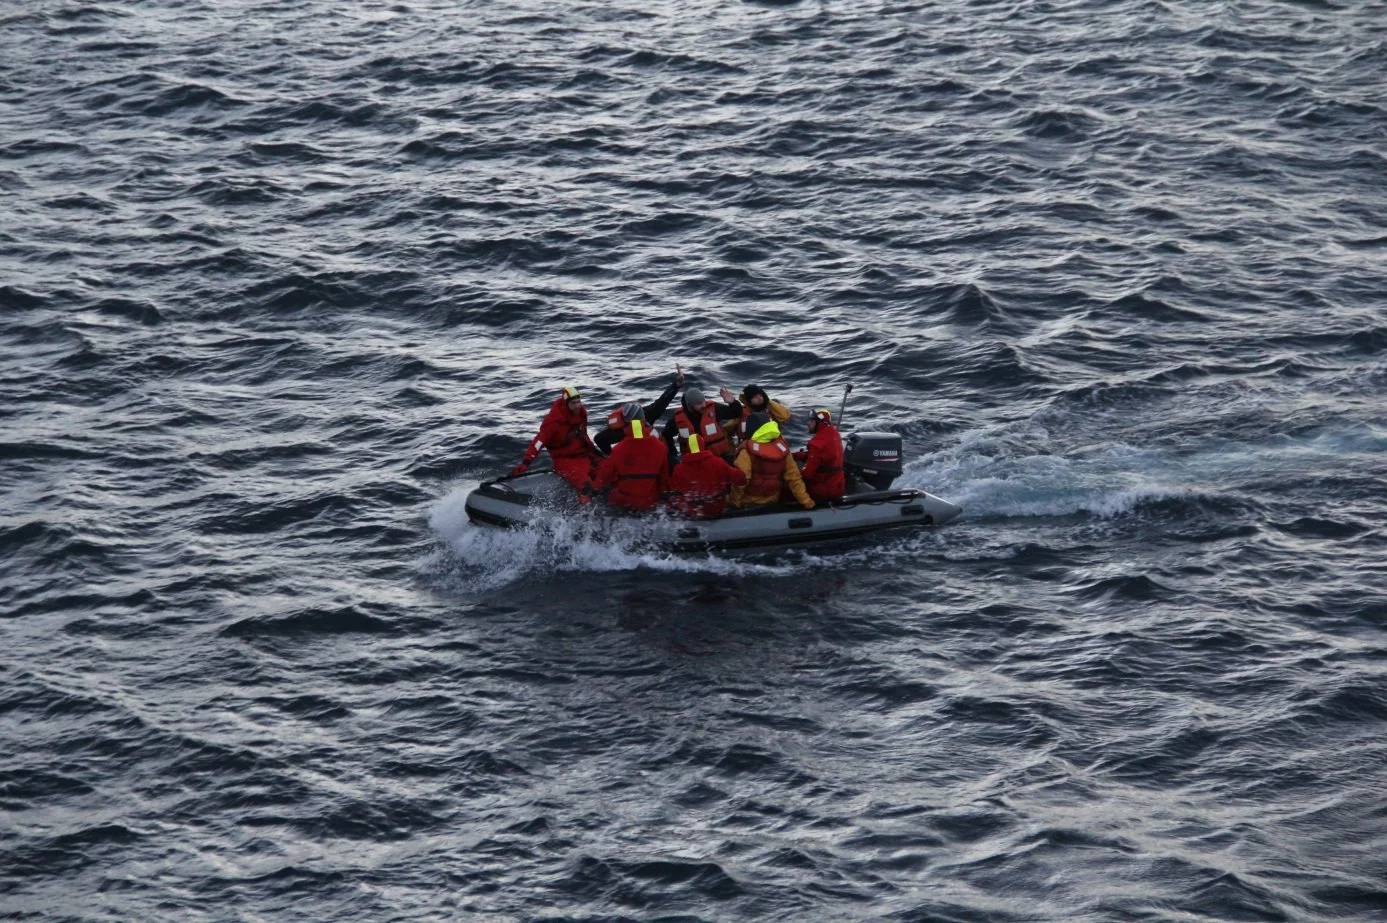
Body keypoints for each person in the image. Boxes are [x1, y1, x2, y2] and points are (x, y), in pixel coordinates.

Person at [510, 385, 600, 492]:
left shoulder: (581, 412)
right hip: (565, 460)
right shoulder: (553, 422)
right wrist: (526, 462)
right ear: (566, 404)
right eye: (573, 403)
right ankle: (586, 506)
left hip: (584, 455)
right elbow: (538, 443)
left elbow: (583, 435)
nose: (577, 406)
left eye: (578, 402)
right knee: (585, 486)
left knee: (610, 470)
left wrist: (595, 453)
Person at [592, 404, 670, 512]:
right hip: (650, 502)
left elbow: (604, 475)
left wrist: (591, 490)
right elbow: (663, 480)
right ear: (643, 420)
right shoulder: (660, 448)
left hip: (624, 502)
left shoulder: (618, 450)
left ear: (626, 424)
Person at [729, 412, 814, 510]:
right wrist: (807, 502)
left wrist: (734, 503)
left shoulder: (746, 450)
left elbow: (742, 480)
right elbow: (794, 478)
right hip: (773, 499)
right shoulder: (782, 449)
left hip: (749, 501)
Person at [595, 365, 684, 456]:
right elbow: (599, 439)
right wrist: (611, 456)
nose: (644, 418)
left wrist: (676, 385)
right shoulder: (620, 433)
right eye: (641, 417)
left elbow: (662, 402)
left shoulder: (647, 415)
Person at [666, 434, 747, 520]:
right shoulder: (718, 463)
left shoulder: (678, 469)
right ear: (703, 445)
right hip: (716, 510)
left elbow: (672, 491)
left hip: (693, 513)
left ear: (687, 448)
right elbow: (741, 479)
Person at [662, 384, 743, 463]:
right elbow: (666, 435)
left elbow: (735, 412)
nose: (703, 405)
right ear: (690, 406)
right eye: (699, 403)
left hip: (718, 457)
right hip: (694, 461)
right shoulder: (678, 418)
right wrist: (673, 454)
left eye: (703, 401)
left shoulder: (713, 408)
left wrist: (732, 402)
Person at [797, 408, 845, 504]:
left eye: (811, 421)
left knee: (787, 488)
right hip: (838, 485)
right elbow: (823, 456)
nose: (808, 423)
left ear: (819, 423)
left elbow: (807, 475)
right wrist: (799, 456)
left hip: (823, 490)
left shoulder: (817, 444)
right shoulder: (835, 434)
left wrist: (791, 476)